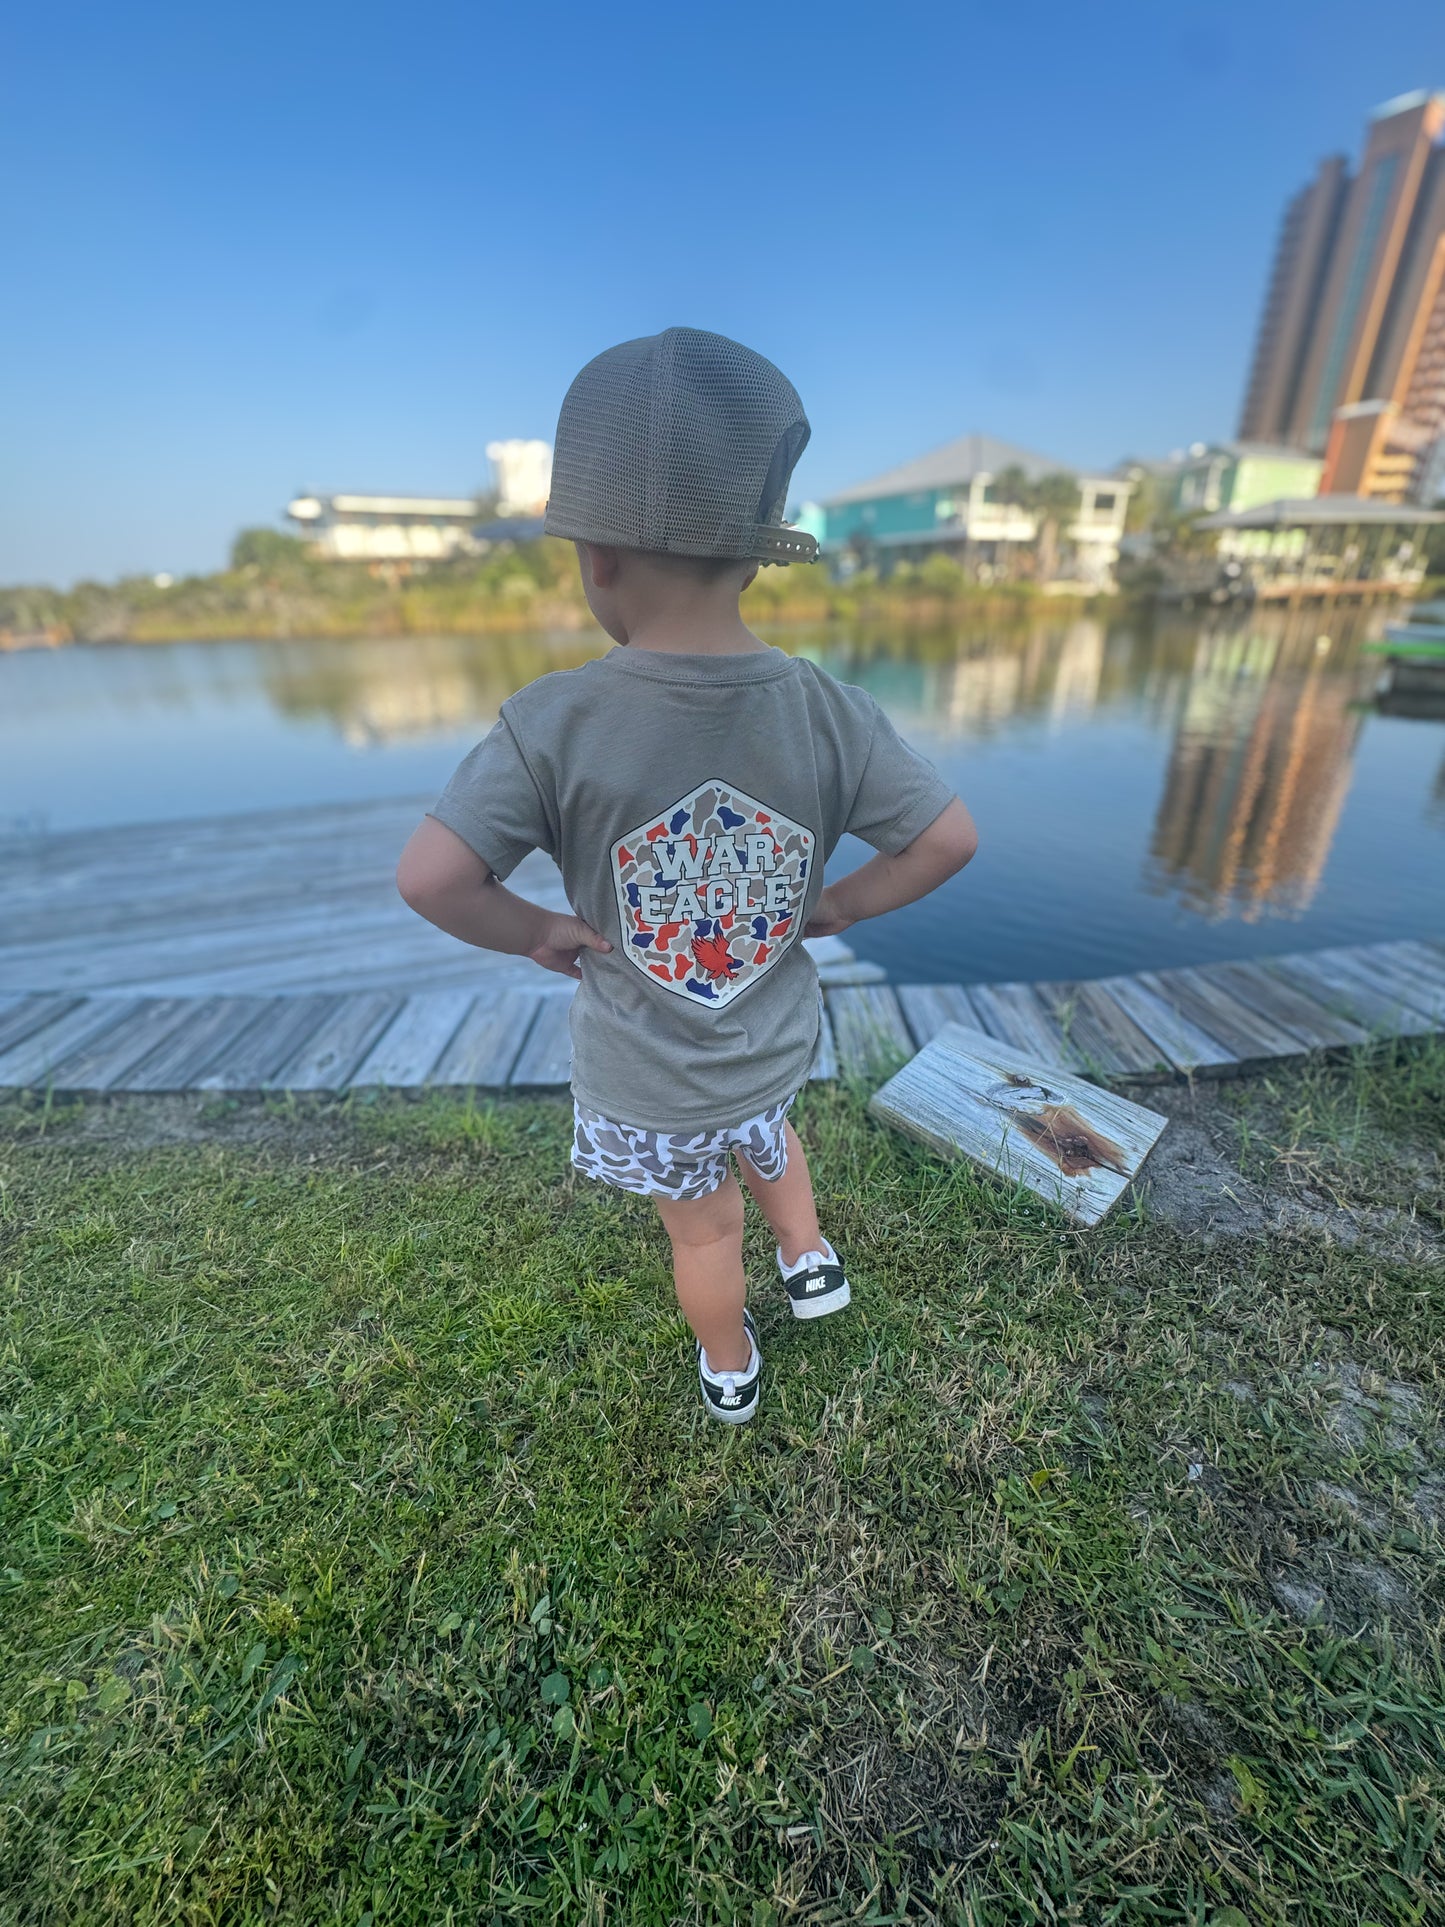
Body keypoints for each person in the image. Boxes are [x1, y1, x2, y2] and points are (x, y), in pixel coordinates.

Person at [397, 327, 978, 1425]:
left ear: (596, 559)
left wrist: (535, 929)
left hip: (648, 1078)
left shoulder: (552, 721)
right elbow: (946, 840)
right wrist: (835, 904)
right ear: (756, 553)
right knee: (766, 1127)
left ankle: (728, 1366)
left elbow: (432, 877)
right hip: (768, 1039)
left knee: (703, 1227)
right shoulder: (827, 708)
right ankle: (807, 1251)